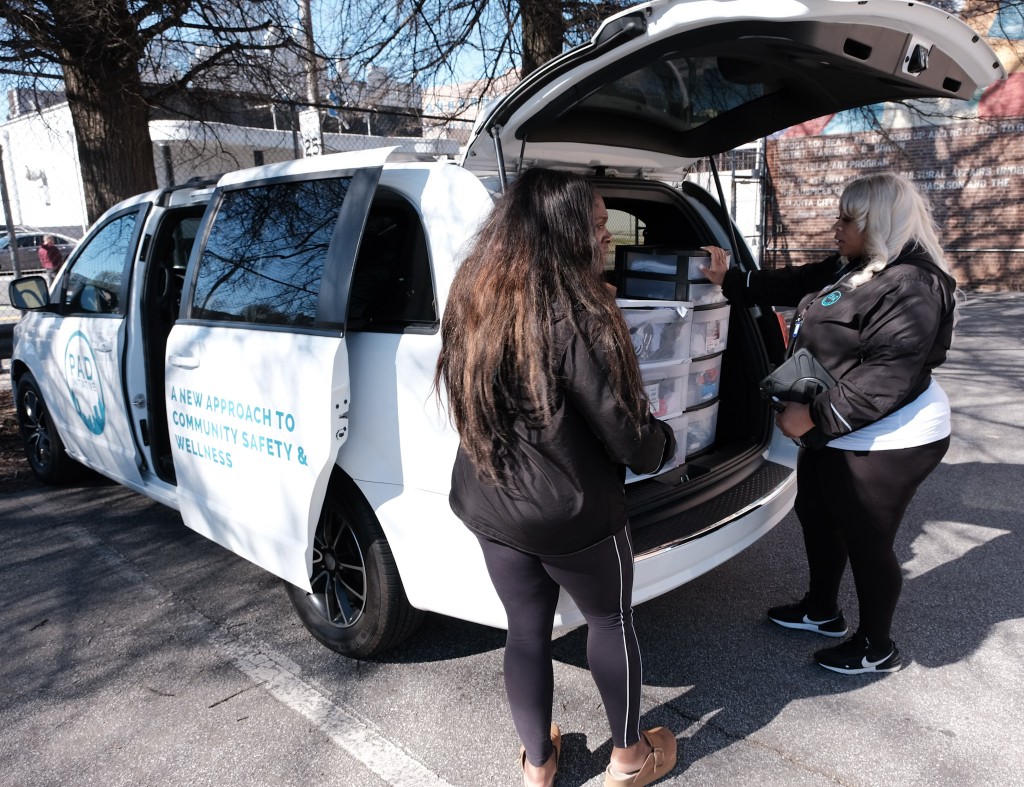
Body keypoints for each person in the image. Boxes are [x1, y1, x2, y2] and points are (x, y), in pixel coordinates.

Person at [435, 168, 678, 787]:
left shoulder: (474, 291)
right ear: (562, 230)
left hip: (492, 502)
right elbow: (626, 431)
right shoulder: (581, 310)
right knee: (610, 621)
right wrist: (664, 446)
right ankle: (627, 758)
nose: (608, 237)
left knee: (525, 630)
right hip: (574, 515)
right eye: (597, 225)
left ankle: (538, 766)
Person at [700, 172, 956, 675]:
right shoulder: (860, 266)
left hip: (892, 433)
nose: (834, 224)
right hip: (836, 426)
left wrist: (813, 416)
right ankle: (822, 612)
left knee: (866, 536)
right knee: (817, 513)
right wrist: (731, 279)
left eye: (847, 217)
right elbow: (794, 283)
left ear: (876, 221)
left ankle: (876, 647)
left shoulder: (912, 285)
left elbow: (887, 377)